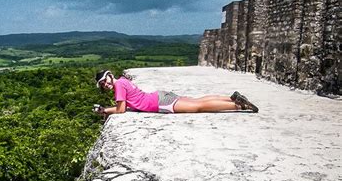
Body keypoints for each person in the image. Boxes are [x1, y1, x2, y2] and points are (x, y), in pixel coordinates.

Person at [93, 70, 259, 116]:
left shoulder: (119, 86)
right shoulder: (123, 80)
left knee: (199, 107)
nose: (105, 84)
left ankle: (237, 105)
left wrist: (104, 110)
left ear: (110, 76)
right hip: (158, 97)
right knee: (197, 101)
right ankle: (230, 97)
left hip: (160, 103)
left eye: (105, 80)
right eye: (102, 84)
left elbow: (121, 110)